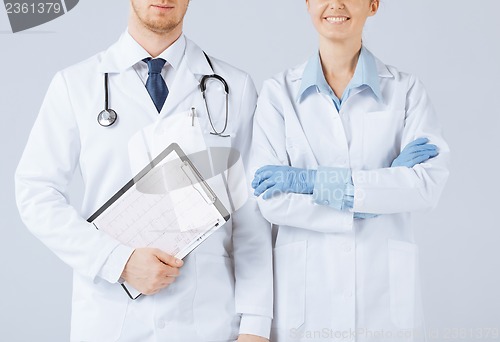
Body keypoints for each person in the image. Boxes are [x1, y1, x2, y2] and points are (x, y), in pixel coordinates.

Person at [15, 1, 272, 341]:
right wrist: (116, 261)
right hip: (112, 319)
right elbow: (35, 192)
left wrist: (255, 326)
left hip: (207, 320)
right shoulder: (76, 85)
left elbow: (251, 214)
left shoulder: (233, 87)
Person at [250, 0, 450, 341]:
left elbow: (424, 185)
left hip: (383, 305)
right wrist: (378, 191)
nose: (335, 4)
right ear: (308, 4)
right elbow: (271, 201)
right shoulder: (277, 93)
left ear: (373, 4)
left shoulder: (406, 91)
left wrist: (311, 182)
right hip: (305, 303)